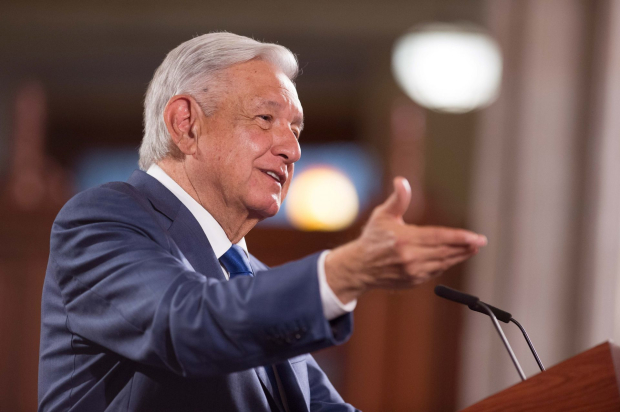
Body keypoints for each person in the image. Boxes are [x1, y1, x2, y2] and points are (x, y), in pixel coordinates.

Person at [38, 32, 487, 412]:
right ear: (186, 124)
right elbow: (186, 323)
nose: (291, 149)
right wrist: (344, 271)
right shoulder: (101, 220)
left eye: (296, 129)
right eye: (265, 118)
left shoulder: (252, 280)